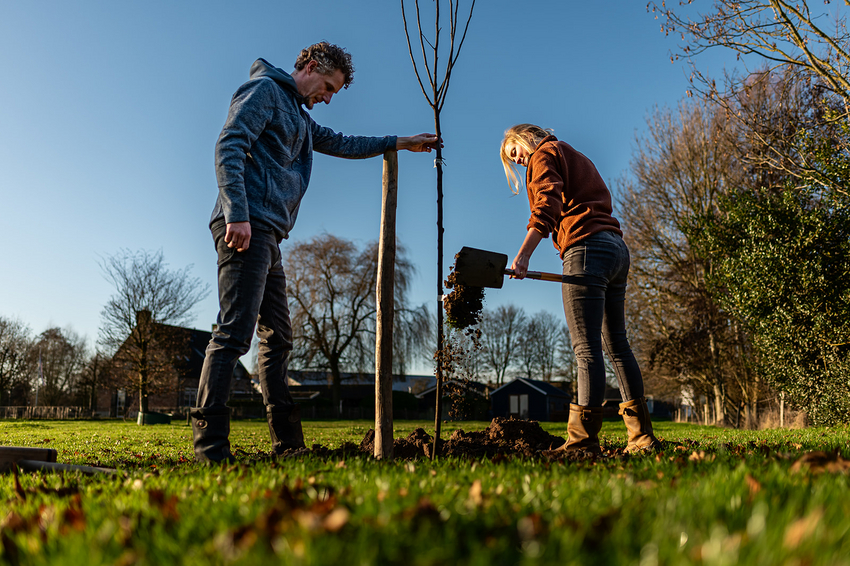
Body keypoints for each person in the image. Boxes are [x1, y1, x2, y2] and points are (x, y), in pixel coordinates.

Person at [191, 42, 439, 463]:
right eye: (327, 87)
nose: (327, 98)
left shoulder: (301, 120)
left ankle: (287, 442)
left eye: (333, 92)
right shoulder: (264, 93)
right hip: (246, 224)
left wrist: (399, 142)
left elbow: (344, 142)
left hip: (270, 234)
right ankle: (209, 448)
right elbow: (228, 146)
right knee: (234, 332)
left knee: (279, 338)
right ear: (308, 67)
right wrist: (237, 213)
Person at [500, 123, 661, 455]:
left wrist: (523, 255)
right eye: (513, 161)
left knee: (586, 350)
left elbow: (546, 205)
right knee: (617, 345)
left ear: (526, 140)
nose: (518, 162)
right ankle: (641, 437)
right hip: (616, 249)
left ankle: (582, 441)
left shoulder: (543, 154)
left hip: (586, 250)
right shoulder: (574, 154)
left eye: (515, 154)